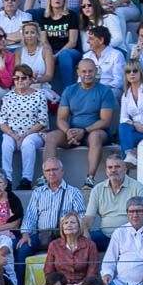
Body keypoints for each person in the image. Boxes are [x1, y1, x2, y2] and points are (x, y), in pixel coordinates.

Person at [45, 59, 115, 189]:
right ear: (78, 72)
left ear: (96, 71)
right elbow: (61, 119)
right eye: (84, 71)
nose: (87, 74)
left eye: (90, 71)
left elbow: (105, 121)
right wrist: (68, 132)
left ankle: (90, 179)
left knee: (95, 137)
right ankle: (50, 178)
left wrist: (84, 131)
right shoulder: (70, 90)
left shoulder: (105, 91)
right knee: (51, 137)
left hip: (95, 131)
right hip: (73, 132)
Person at [19, 158, 87, 284]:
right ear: (44, 173)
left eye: (55, 169)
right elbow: (31, 215)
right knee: (23, 249)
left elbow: (81, 217)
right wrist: (25, 234)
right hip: (42, 235)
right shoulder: (38, 192)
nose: (51, 173)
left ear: (62, 171)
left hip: (64, 235)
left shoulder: (73, 192)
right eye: (48, 170)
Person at [84, 153, 143, 249]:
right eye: (110, 167)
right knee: (81, 242)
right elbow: (89, 219)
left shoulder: (137, 187)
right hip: (105, 236)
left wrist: (136, 232)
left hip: (130, 236)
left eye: (117, 167)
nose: (113, 170)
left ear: (125, 169)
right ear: (106, 171)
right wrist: (85, 235)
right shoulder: (97, 189)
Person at [0, 66, 48, 190]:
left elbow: (43, 121)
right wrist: (13, 135)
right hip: (12, 133)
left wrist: (25, 134)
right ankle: (7, 180)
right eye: (16, 78)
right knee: (5, 143)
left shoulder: (39, 95)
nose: (19, 81)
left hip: (34, 133)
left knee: (28, 143)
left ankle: (26, 180)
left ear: (30, 79)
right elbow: (1, 122)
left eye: (23, 78)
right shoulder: (8, 97)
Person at [46, 212, 100, 285]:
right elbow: (49, 271)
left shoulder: (90, 245)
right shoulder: (54, 245)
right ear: (62, 227)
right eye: (66, 223)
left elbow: (92, 273)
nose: (69, 225)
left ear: (79, 226)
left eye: (73, 222)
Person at [39, 0, 82, 92]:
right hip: (51, 50)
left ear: (64, 0)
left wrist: (55, 57)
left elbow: (72, 42)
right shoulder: (44, 17)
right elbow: (44, 41)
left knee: (64, 55)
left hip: (71, 51)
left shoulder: (71, 15)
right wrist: (50, 55)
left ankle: (67, 91)